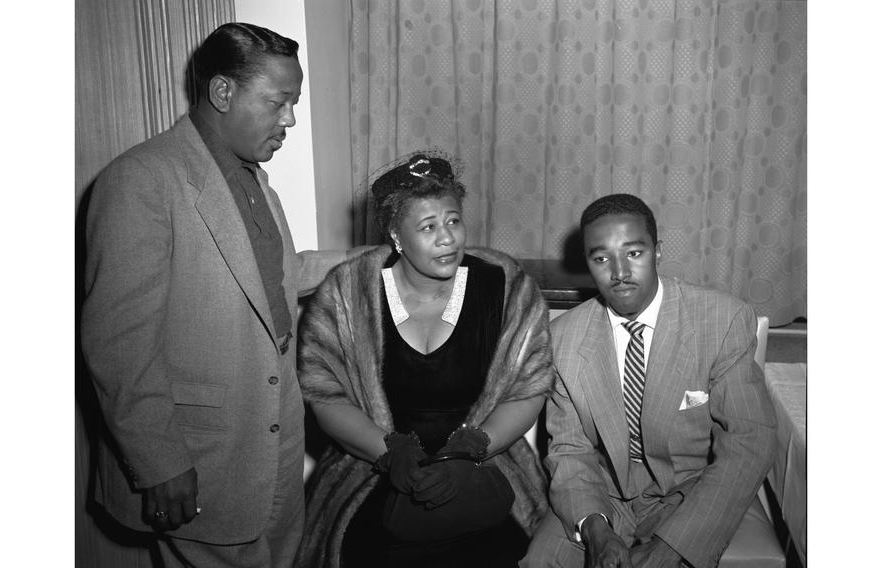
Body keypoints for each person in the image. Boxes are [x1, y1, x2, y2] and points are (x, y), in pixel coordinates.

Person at [80, 22, 353, 567]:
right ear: (223, 92)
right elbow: (118, 344)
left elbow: (277, 275)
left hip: (271, 436)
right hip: (198, 454)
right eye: (279, 102)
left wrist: (377, 256)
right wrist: (159, 464)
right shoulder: (141, 180)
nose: (291, 119)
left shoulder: (252, 178)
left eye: (293, 103)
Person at [295, 153, 554, 568]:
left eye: (453, 221)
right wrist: (388, 450)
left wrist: (474, 447)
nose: (448, 238)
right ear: (397, 236)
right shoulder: (347, 292)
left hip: (484, 467)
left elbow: (530, 387)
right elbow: (325, 396)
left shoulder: (505, 286)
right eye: (428, 227)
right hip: (373, 472)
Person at [522, 194, 777, 568]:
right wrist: (597, 530)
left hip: (691, 491)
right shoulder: (563, 339)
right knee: (541, 560)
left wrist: (673, 548)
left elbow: (748, 442)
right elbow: (569, 450)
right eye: (601, 258)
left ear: (657, 252)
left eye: (634, 253)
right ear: (587, 263)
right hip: (604, 494)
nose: (619, 272)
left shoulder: (722, 320)